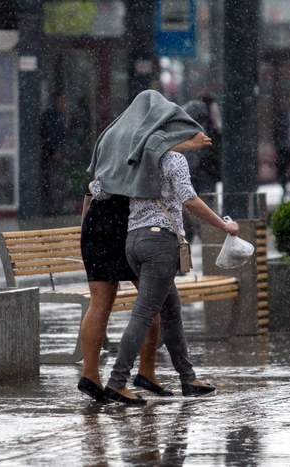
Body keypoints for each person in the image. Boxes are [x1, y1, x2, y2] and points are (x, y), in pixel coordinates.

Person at [89, 90, 239, 405]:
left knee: (170, 309)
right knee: (144, 313)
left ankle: (188, 378)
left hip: (133, 241)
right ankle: (117, 381)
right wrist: (224, 226)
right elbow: (189, 199)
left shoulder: (131, 157)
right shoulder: (174, 160)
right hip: (160, 243)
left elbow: (98, 188)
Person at [181, 92, 223, 241]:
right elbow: (211, 141)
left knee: (188, 209)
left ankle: (187, 248)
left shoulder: (189, 113)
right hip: (203, 172)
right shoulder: (204, 114)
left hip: (193, 171)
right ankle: (207, 238)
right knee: (205, 209)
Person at [39, 92, 68, 215]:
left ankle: (57, 208)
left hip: (56, 154)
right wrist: (53, 151)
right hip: (52, 156)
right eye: (62, 102)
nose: (64, 105)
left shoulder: (58, 116)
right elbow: (50, 135)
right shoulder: (51, 116)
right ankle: (53, 209)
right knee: (53, 183)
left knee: (58, 183)